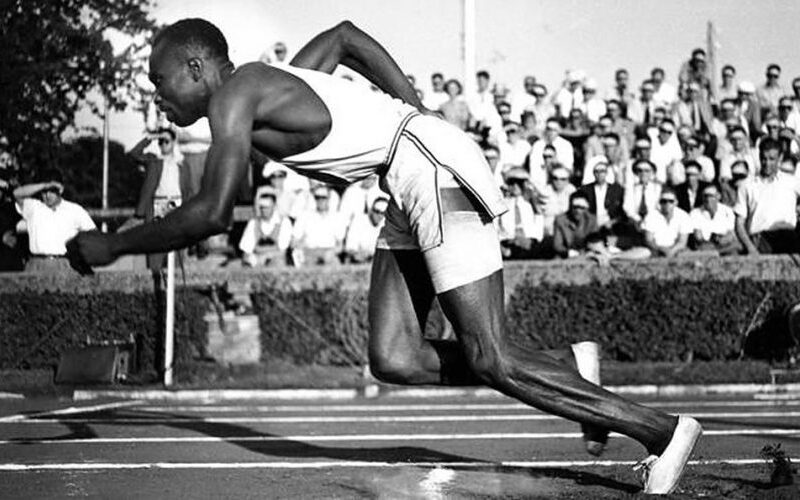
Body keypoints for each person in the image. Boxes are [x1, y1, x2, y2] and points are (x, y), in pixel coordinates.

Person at [68, 19, 700, 493]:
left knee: (492, 354)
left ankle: (661, 430)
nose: (156, 95)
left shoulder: (234, 96)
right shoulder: (269, 83)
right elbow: (344, 38)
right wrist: (413, 110)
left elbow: (210, 212)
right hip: (407, 176)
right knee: (394, 356)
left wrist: (113, 244)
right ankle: (566, 363)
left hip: (431, 167)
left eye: (160, 80)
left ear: (200, 67)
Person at [127, 128, 193, 270]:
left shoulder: (182, 164)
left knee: (177, 247)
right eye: (160, 142)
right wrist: (151, 137)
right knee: (155, 247)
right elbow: (134, 154)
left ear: (174, 143)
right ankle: (155, 281)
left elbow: (188, 190)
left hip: (177, 205)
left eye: (166, 141)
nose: (163, 145)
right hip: (157, 205)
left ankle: (174, 284)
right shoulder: (153, 161)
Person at [15, 168, 96, 273]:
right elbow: (17, 193)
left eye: (51, 191)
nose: (47, 195)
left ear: (60, 190)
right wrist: (44, 185)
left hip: (65, 264)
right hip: (36, 264)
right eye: (44, 192)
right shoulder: (33, 207)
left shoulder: (75, 210)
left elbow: (94, 234)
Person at [734, 138, 800, 255]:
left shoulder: (792, 182)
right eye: (764, 159)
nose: (767, 163)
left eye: (772, 159)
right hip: (762, 240)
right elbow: (739, 223)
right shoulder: (747, 185)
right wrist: (750, 248)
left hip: (790, 239)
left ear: (780, 158)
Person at [497, 167, 548, 259]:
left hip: (529, 241)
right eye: (512, 183)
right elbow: (497, 227)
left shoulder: (530, 202)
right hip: (509, 242)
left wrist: (529, 182)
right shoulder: (503, 203)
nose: (516, 186)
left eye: (519, 183)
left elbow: (539, 216)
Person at [239, 185, 292, 267]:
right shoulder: (253, 223)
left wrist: (265, 257)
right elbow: (246, 249)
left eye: (267, 207)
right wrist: (252, 259)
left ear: (274, 206)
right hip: (256, 262)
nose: (264, 210)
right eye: (262, 208)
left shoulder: (284, 222)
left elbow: (282, 251)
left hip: (276, 262)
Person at [689, 184, 740, 255]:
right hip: (706, 246)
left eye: (711, 196)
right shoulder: (695, 213)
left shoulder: (727, 211)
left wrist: (722, 240)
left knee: (734, 247)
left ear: (718, 196)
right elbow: (698, 237)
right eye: (705, 196)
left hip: (724, 244)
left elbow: (730, 234)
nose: (707, 199)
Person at [641, 187, 691, 258]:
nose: (667, 204)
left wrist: (671, 251)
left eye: (671, 201)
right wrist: (662, 249)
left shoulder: (683, 216)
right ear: (659, 202)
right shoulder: (651, 216)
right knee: (645, 252)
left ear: (676, 202)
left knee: (686, 254)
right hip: (655, 249)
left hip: (676, 249)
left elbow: (682, 242)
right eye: (663, 201)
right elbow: (649, 240)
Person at [578, 160, 625, 229]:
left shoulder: (616, 189)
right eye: (597, 171)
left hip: (611, 223)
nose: (599, 174)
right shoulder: (585, 189)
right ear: (593, 173)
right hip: (591, 223)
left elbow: (621, 212)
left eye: (602, 171)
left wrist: (612, 222)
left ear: (606, 173)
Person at [552, 192, 599, 258]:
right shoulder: (560, 220)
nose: (578, 211)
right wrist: (568, 252)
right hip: (566, 254)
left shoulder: (591, 220)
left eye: (581, 208)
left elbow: (595, 241)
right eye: (575, 207)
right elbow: (557, 245)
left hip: (587, 253)